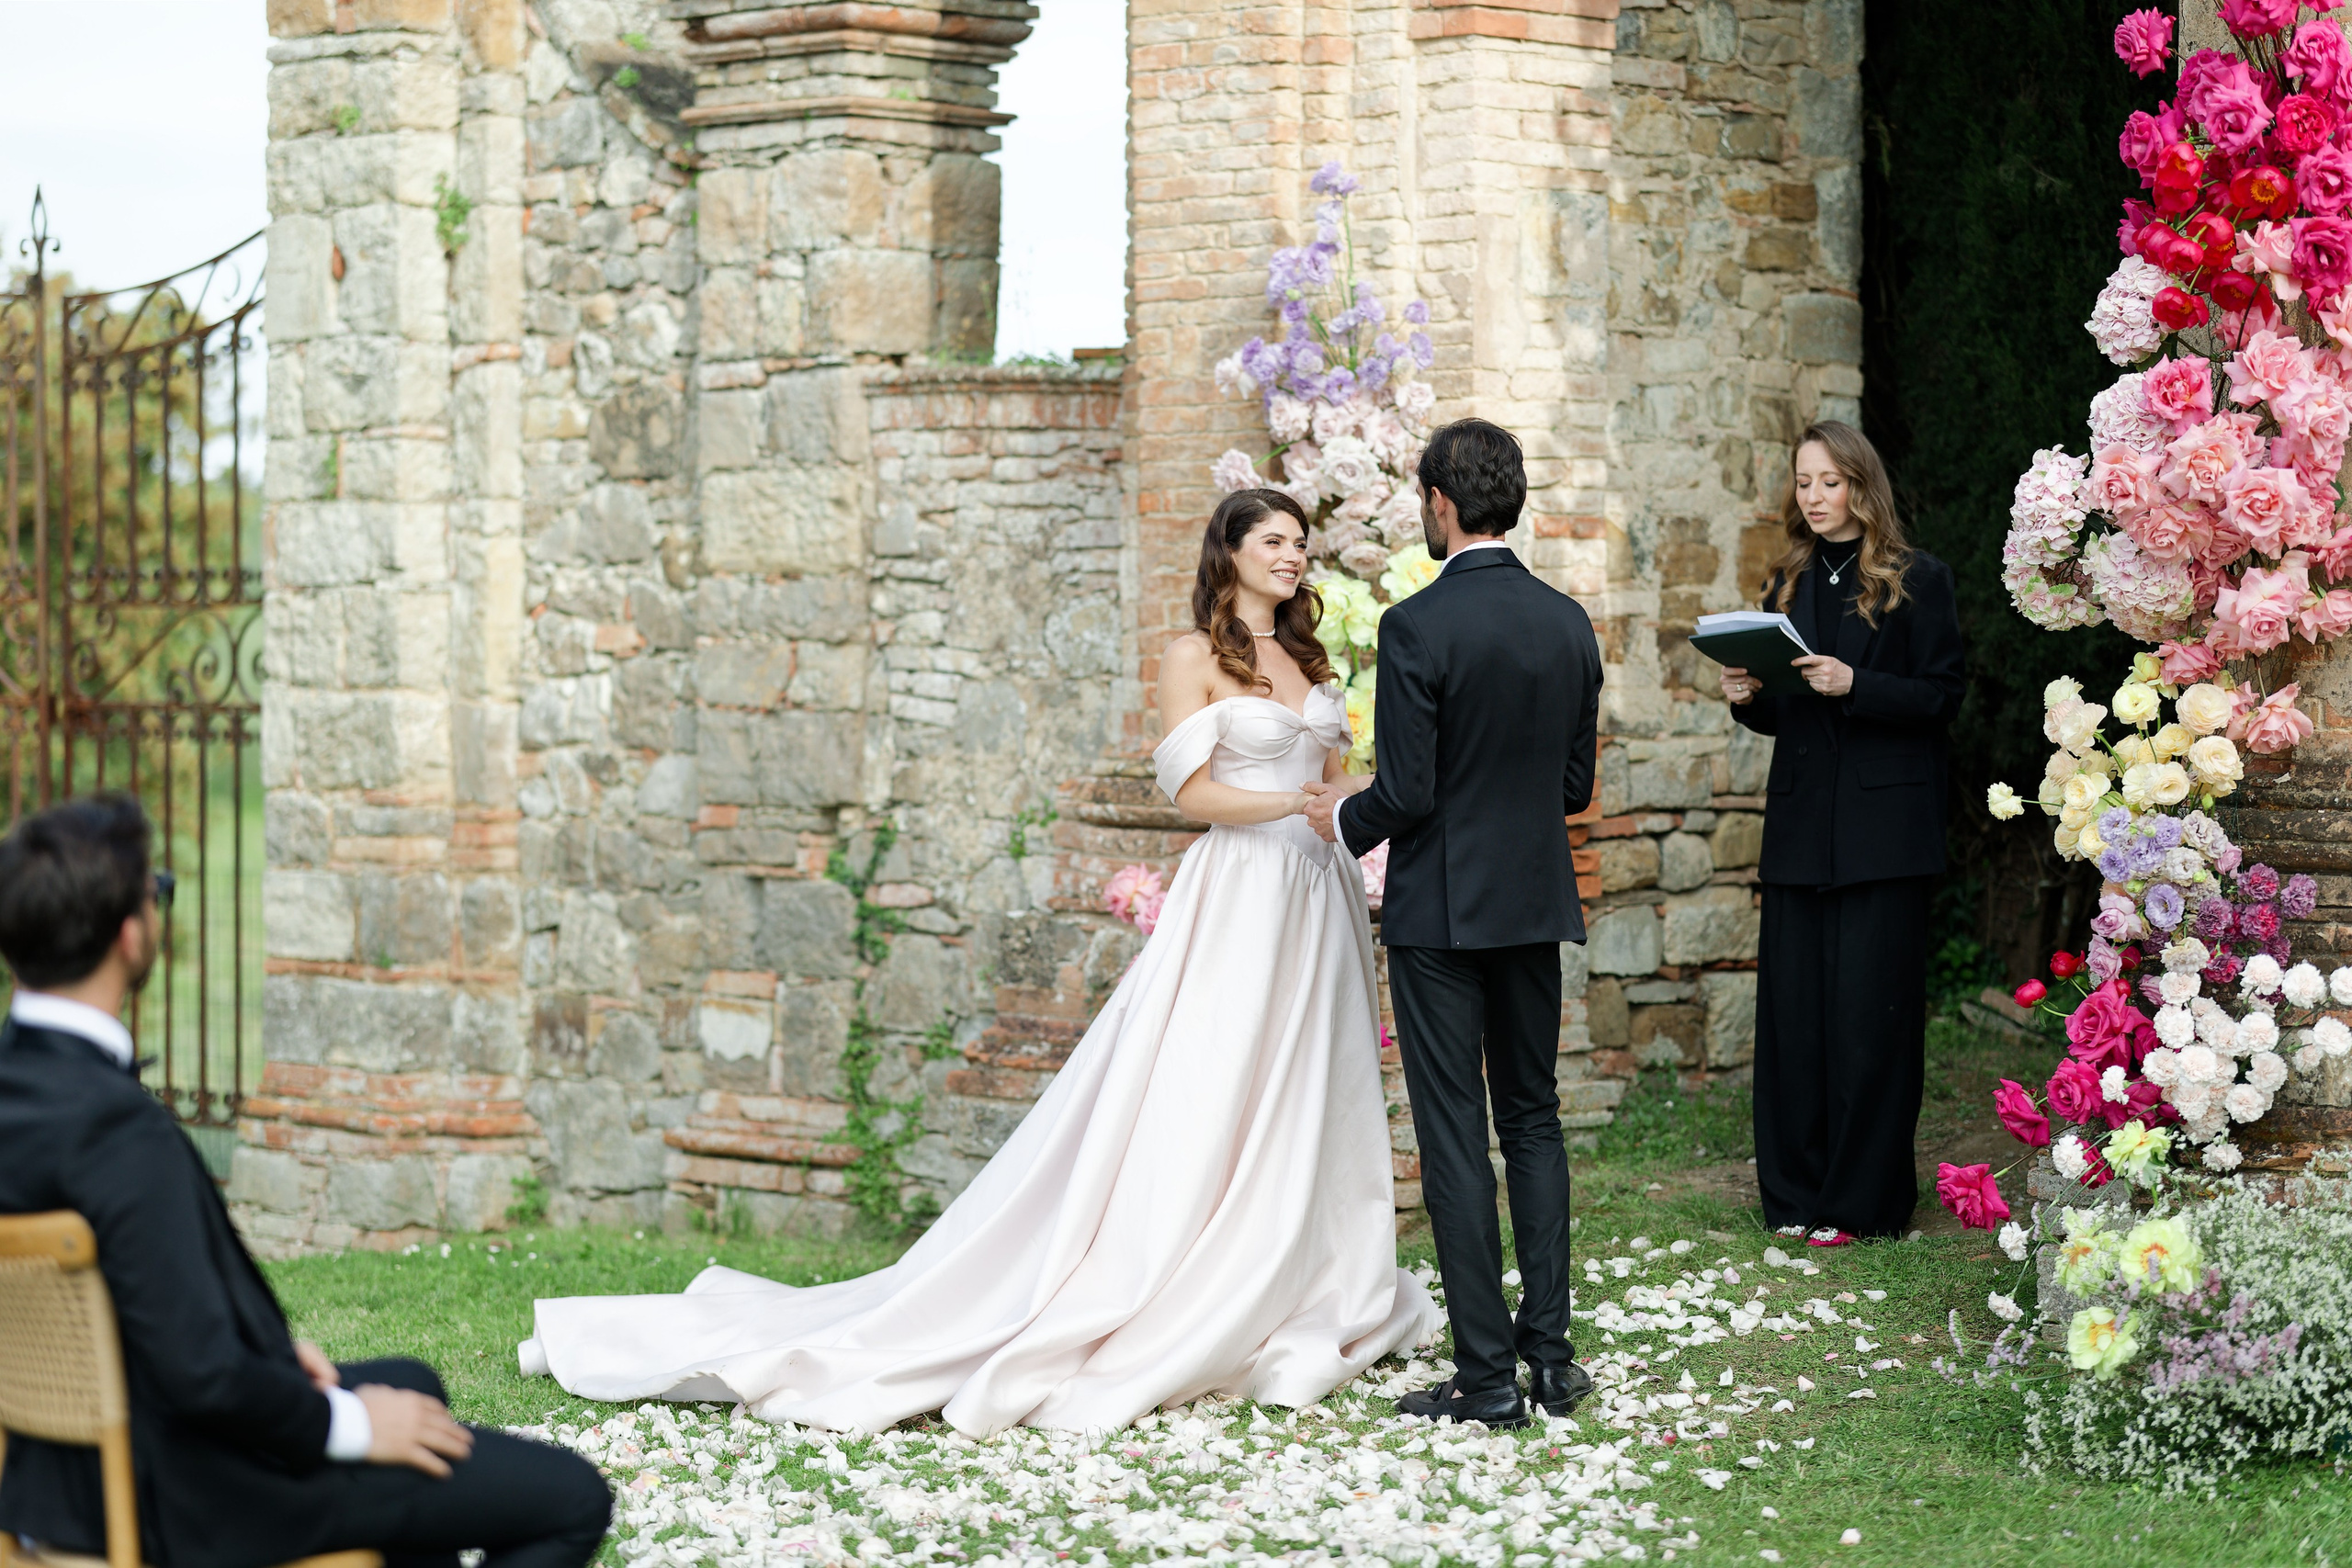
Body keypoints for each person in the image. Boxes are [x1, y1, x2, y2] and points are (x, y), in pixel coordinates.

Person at [517, 487, 1441, 1435]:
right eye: (1272, 541)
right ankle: (1171, 1266)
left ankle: (1291, 1266)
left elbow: (1335, 781)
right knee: (1213, 1074)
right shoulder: (1191, 656)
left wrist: (1399, 795)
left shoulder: (1306, 656)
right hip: (1243, 887)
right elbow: (1194, 796)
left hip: (1314, 893)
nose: (1291, 556)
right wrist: (1293, 810)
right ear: (1230, 553)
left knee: (1308, 1080)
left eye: (1298, 542)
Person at [0, 794, 611, 1568]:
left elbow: (139, 1306)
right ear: (130, 932)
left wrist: (278, 1360)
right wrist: (346, 1425)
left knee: (413, 1383)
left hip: (53, 1479)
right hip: (190, 1491)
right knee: (573, 1498)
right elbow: (203, 1375)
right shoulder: (117, 1129)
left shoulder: (20, 1088)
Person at [1303, 417, 1604, 1429]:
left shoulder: (1416, 627)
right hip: (1532, 902)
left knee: (1452, 1139)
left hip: (1438, 914)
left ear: (1439, 502)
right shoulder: (1569, 624)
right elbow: (1572, 784)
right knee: (1532, 1119)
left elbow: (1410, 789)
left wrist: (1341, 818)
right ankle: (1551, 1362)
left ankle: (1484, 1381)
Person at [1717, 421, 1965, 1245]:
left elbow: (1941, 697)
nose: (1814, 497)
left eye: (1829, 482)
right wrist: (1748, 697)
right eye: (1803, 482)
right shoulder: (1784, 584)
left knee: (1871, 1021)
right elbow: (1782, 717)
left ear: (1861, 484)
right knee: (1795, 1020)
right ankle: (1793, 1195)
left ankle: (1863, 1205)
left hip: (1883, 836)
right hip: (1797, 831)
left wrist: (1856, 682)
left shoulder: (1919, 580)